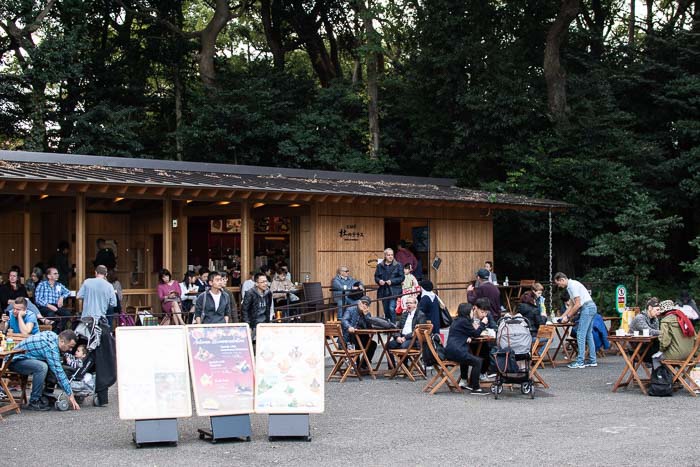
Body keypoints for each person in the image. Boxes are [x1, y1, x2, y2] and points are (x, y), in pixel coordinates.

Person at [7, 330, 80, 411]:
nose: (70, 350)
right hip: (14, 361)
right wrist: (70, 394)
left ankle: (45, 395)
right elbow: (59, 372)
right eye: (70, 346)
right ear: (62, 341)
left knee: (49, 364)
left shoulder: (53, 336)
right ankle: (34, 401)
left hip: (26, 358)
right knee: (42, 367)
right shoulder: (51, 347)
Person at [554, 272, 598, 369]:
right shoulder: (572, 285)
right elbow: (571, 305)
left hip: (586, 308)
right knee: (588, 334)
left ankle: (580, 361)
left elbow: (578, 304)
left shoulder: (572, 286)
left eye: (558, 283)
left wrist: (568, 317)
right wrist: (561, 317)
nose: (559, 286)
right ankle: (592, 360)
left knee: (580, 334)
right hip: (591, 306)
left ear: (562, 280)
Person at [445, 303, 488, 394]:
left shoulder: (457, 320)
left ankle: (466, 382)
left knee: (470, 356)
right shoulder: (464, 322)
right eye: (472, 311)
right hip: (457, 351)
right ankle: (475, 387)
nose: (473, 312)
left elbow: (465, 333)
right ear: (468, 312)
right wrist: (483, 324)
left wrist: (468, 336)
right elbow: (476, 333)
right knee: (478, 361)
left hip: (451, 350)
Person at [386, 296, 426, 366]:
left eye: (410, 303)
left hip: (414, 339)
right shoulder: (404, 314)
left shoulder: (420, 315)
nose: (408, 305)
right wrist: (397, 337)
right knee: (389, 345)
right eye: (407, 303)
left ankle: (404, 367)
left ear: (415, 304)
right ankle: (392, 367)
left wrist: (406, 337)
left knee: (403, 346)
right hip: (402, 337)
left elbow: (418, 330)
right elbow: (397, 328)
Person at [340, 295, 377, 369]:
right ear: (359, 302)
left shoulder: (367, 314)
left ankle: (363, 365)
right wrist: (349, 327)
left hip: (362, 338)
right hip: (349, 339)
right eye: (363, 303)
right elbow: (344, 320)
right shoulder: (350, 310)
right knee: (356, 344)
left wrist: (366, 316)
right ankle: (357, 366)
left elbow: (370, 327)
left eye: (366, 304)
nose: (364, 305)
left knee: (372, 344)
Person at [656, 299, 696, 365]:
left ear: (663, 312)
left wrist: (661, 350)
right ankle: (676, 374)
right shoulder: (684, 318)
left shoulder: (665, 321)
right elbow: (694, 337)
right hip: (690, 354)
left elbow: (665, 341)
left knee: (655, 358)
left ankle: (662, 375)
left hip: (676, 355)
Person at [34, 267, 72, 333]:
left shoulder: (59, 285)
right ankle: (51, 332)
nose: (57, 275)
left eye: (57, 273)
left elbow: (68, 292)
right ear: (49, 276)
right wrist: (49, 305)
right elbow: (38, 299)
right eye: (55, 273)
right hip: (45, 306)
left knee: (67, 314)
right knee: (51, 314)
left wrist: (62, 297)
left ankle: (58, 329)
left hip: (56, 305)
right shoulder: (42, 285)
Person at [374, 248, 404, 324]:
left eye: (392, 255)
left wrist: (392, 281)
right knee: (386, 310)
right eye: (388, 255)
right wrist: (379, 281)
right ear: (385, 256)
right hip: (384, 290)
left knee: (391, 308)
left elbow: (402, 277)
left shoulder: (398, 265)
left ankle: (393, 326)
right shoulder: (380, 265)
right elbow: (376, 277)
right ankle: (388, 327)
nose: (391, 256)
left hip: (394, 290)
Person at [241, 272, 273, 341]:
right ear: (256, 283)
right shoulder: (250, 293)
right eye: (262, 282)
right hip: (253, 323)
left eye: (266, 281)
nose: (265, 284)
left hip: (264, 323)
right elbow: (244, 310)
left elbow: (268, 308)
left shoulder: (268, 293)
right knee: (250, 343)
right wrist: (248, 325)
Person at [629, 297, 662, 362]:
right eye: (657, 310)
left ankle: (660, 370)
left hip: (648, 346)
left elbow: (656, 333)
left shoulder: (655, 318)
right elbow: (649, 331)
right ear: (650, 308)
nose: (659, 312)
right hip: (637, 349)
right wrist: (664, 332)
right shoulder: (640, 318)